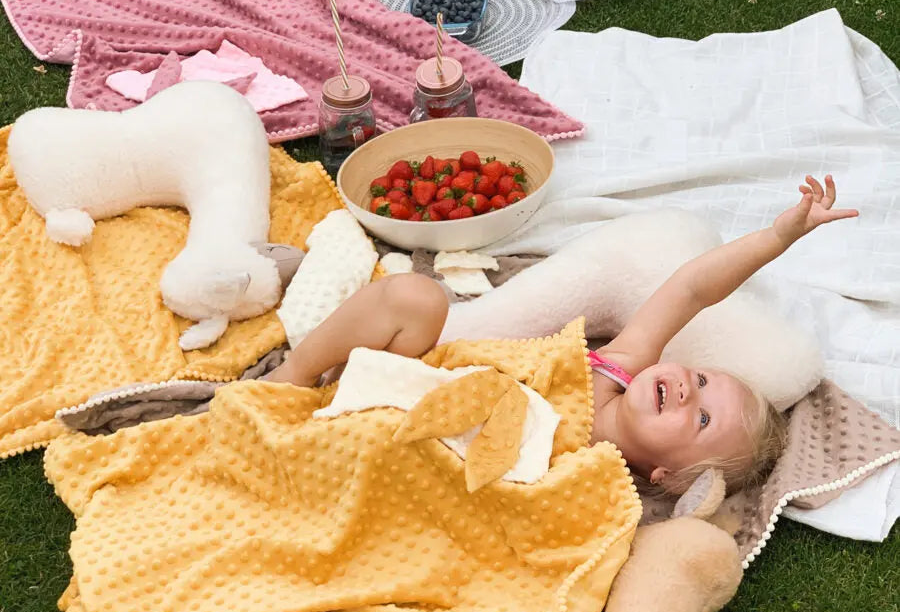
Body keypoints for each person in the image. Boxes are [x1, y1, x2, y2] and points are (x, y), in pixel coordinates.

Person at [265, 175, 857, 496]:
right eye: (702, 380)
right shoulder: (614, 370)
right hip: (413, 379)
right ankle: (292, 378)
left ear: (669, 477)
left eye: (701, 419)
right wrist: (778, 239)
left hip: (407, 447)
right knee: (415, 298)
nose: (686, 389)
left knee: (370, 474)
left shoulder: (593, 480)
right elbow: (691, 290)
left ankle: (317, 441)